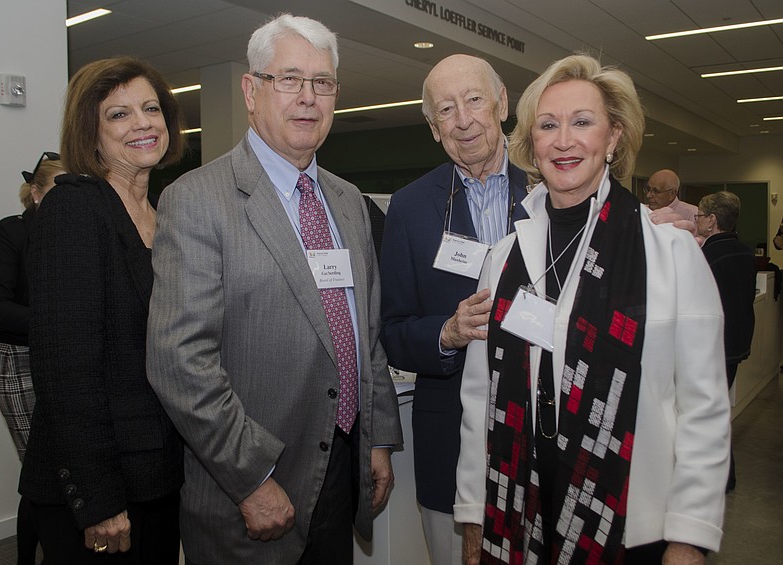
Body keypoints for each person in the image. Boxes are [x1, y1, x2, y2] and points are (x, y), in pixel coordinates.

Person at [146, 14, 402, 565]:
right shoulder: (197, 201)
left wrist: (377, 439)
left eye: (323, 82)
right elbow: (179, 362)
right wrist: (252, 478)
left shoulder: (349, 202)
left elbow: (367, 331)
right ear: (251, 89)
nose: (307, 98)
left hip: (340, 470)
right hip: (252, 491)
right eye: (289, 79)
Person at [456, 54, 730, 565]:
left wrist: (689, 537)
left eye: (583, 122)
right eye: (548, 125)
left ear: (614, 138)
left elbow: (705, 407)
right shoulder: (504, 258)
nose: (564, 140)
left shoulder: (670, 256)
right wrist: (474, 514)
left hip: (629, 515)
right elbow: (479, 398)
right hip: (519, 507)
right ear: (531, 143)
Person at [17, 57, 186, 564]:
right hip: (103, 492)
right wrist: (99, 501)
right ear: (89, 131)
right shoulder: (74, 210)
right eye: (119, 114)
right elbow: (67, 371)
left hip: (158, 473)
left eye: (152, 108)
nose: (143, 123)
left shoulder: (165, 215)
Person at [379, 54, 529, 564]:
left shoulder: (551, 191)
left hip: (542, 430)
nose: (463, 119)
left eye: (473, 100)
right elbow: (392, 329)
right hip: (449, 435)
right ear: (433, 127)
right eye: (445, 109)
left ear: (502, 103)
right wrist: (446, 332)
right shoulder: (411, 207)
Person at [0, 151, 64, 565]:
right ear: (35, 192)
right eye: (57, 191)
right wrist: (59, 323)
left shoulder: (77, 238)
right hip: (19, 359)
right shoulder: (10, 234)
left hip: (66, 360)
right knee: (42, 472)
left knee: (62, 469)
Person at [698, 191, 756, 493]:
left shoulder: (707, 257)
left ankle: (719, 477)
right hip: (737, 344)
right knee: (719, 411)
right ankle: (725, 474)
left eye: (699, 216)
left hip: (712, 348)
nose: (696, 222)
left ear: (711, 221)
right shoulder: (746, 252)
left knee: (708, 415)